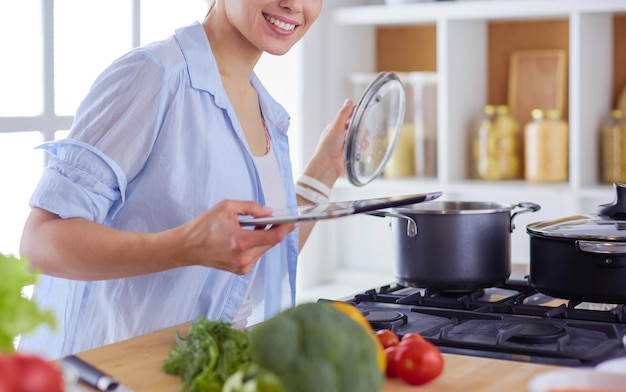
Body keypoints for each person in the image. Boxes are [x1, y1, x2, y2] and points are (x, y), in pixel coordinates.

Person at [18, 0, 353, 360]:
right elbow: (40, 243)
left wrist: (323, 172)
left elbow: (252, 260)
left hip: (198, 372)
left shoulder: (265, 113)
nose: (292, 4)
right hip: (110, 373)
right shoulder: (155, 75)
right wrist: (185, 245)